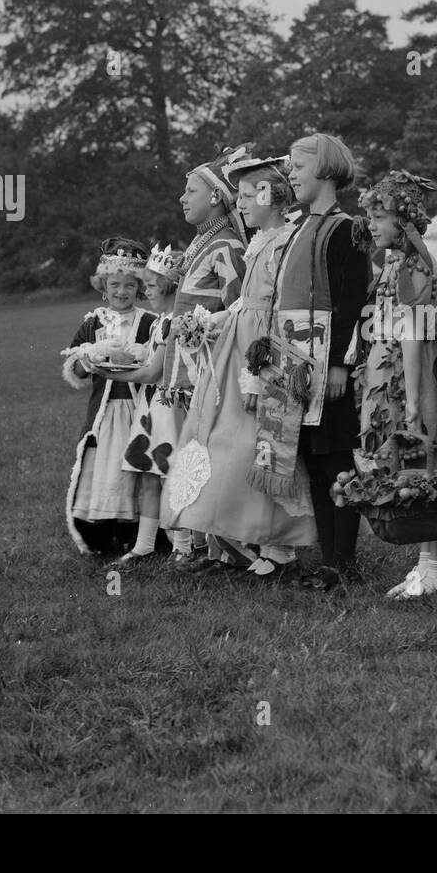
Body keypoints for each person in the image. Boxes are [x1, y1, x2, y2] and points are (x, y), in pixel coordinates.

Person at [168, 153, 317, 579]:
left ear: (273, 197)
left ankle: (278, 543)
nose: (243, 204)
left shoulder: (284, 243)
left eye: (250, 196)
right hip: (237, 343)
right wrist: (214, 320)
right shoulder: (258, 242)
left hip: (262, 351)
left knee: (264, 442)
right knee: (233, 441)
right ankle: (242, 534)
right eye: (242, 196)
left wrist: (260, 369)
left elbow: (274, 309)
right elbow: (245, 302)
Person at [267, 133, 370, 592]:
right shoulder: (295, 229)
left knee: (336, 461)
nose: (290, 173)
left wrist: (340, 365)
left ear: (326, 170)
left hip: (326, 363)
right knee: (310, 456)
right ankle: (328, 558)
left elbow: (352, 301)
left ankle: (343, 563)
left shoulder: (347, 228)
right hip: (294, 364)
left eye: (299, 165)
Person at [353, 170, 437, 599]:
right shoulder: (395, 259)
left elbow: (414, 333)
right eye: (370, 216)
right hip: (388, 373)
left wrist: (413, 402)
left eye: (380, 216)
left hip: (407, 378)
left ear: (406, 218)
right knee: (412, 468)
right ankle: (428, 566)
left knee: (423, 465)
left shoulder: (414, 261)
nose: (371, 225)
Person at [153, 148, 248, 567]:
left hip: (204, 375)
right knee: (184, 455)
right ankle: (191, 545)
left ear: (214, 197)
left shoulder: (225, 247)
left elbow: (240, 311)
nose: (181, 197)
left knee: (201, 456)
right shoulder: (199, 245)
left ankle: (214, 547)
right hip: (182, 375)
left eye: (190, 190)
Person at [61, 239, 156, 556]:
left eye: (130, 285)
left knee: (137, 471)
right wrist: (92, 355)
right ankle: (104, 533)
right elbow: (74, 368)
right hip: (104, 414)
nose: (121, 292)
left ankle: (138, 534)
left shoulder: (150, 323)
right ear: (104, 286)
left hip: (139, 411)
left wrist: (140, 355)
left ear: (140, 288)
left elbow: (159, 362)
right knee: (105, 469)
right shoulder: (93, 322)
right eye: (115, 284)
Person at [112, 243, 185, 567]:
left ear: (169, 286)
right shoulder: (160, 322)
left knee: (170, 472)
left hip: (169, 404)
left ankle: (184, 545)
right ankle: (144, 544)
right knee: (149, 475)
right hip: (152, 404)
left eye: (152, 286)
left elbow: (154, 371)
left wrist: (109, 371)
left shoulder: (174, 322)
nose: (147, 292)